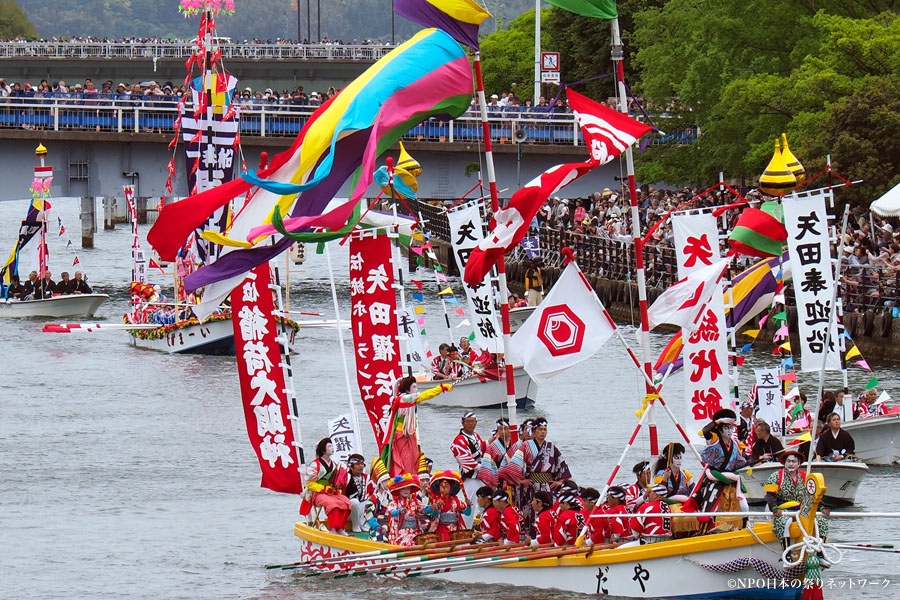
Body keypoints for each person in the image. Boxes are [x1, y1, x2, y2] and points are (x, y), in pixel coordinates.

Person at [683, 409, 748, 534]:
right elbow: (705, 430)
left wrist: (760, 458)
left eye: (731, 427)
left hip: (731, 481)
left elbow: (742, 462)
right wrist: (718, 421)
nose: (730, 431)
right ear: (720, 429)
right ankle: (705, 531)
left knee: (744, 506)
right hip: (715, 479)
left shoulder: (735, 444)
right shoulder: (714, 440)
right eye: (727, 428)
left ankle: (743, 528)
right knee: (712, 507)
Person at [504, 417, 571, 536]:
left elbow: (562, 465)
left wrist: (560, 482)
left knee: (547, 512)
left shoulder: (551, 447)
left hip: (547, 487)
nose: (543, 432)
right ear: (534, 431)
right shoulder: (525, 445)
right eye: (540, 429)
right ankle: (530, 537)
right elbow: (512, 465)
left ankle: (547, 536)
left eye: (545, 429)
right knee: (529, 513)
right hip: (529, 487)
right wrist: (521, 480)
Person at [382, 376, 451, 478]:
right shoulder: (405, 398)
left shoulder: (404, 398)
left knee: (413, 460)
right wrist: (440, 388)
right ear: (406, 389)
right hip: (402, 436)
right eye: (414, 387)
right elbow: (425, 395)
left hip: (409, 435)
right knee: (406, 463)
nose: (416, 390)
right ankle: (405, 480)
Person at [764, 450, 828, 547]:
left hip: (802, 509)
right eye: (788, 461)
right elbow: (769, 496)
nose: (791, 464)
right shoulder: (776, 476)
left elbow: (812, 496)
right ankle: (787, 552)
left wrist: (822, 508)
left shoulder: (805, 477)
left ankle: (820, 551)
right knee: (784, 522)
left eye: (793, 461)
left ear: (798, 463)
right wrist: (774, 508)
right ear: (784, 463)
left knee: (821, 521)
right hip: (782, 509)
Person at [451, 411, 496, 526]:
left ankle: (488, 527)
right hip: (470, 477)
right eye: (468, 422)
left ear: (476, 423)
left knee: (486, 502)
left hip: (481, 476)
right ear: (463, 423)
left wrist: (494, 438)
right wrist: (485, 468)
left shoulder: (476, 435)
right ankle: (465, 530)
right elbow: (465, 460)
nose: (471, 424)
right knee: (470, 504)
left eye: (473, 422)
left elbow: (482, 447)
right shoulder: (459, 440)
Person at [302, 437, 351, 535]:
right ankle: (332, 528)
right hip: (317, 493)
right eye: (329, 446)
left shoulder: (334, 464)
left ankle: (340, 528)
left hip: (332, 491)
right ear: (323, 449)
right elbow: (309, 483)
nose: (332, 448)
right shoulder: (315, 465)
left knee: (346, 502)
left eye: (332, 446)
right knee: (332, 504)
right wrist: (323, 488)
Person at [425, 470, 469, 541]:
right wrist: (437, 507)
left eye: (446, 486)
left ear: (451, 488)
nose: (443, 488)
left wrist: (469, 506)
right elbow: (434, 515)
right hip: (441, 529)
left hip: (455, 530)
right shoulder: (435, 501)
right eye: (441, 486)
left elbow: (468, 513)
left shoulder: (456, 501)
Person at [385, 473, 426, 546]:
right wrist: (399, 511)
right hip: (399, 531)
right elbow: (392, 512)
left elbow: (424, 509)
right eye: (403, 488)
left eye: (408, 488)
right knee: (405, 542)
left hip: (414, 532)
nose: (406, 491)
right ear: (398, 490)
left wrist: (432, 508)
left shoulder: (415, 501)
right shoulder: (394, 502)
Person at [344, 454, 374, 533]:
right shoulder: (346, 477)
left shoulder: (366, 477)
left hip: (361, 510)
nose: (361, 466)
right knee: (354, 502)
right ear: (351, 466)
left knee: (370, 500)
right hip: (348, 511)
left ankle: (364, 524)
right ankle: (356, 525)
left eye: (362, 464)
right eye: (357, 464)